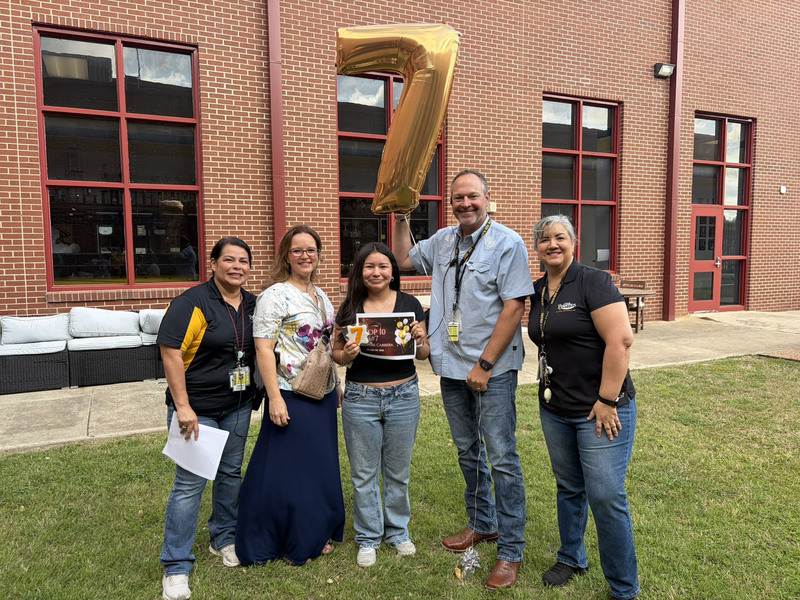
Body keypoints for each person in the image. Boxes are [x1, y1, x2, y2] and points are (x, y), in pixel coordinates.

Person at [392, 169, 533, 590]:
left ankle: (510, 550)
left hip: (491, 370)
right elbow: (402, 260)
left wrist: (484, 366)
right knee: (467, 450)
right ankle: (482, 522)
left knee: (502, 457)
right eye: (457, 198)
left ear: (488, 199)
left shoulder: (507, 243)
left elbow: (514, 307)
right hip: (450, 366)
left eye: (472, 196)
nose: (465, 203)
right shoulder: (442, 240)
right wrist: (401, 218)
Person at [528, 214, 639, 600]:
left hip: (599, 410)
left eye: (560, 237)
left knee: (606, 495)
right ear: (537, 248)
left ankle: (623, 588)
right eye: (544, 239)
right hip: (555, 407)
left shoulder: (593, 281)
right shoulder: (539, 289)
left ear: (573, 241)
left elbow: (621, 341)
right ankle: (572, 556)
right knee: (569, 486)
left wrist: (607, 400)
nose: (552, 244)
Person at [235, 225, 345, 566]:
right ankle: (283, 535)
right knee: (287, 470)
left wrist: (336, 382)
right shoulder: (275, 295)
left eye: (310, 250)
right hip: (290, 393)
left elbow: (326, 344)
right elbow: (263, 350)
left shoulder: (321, 295)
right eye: (297, 250)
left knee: (316, 466)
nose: (304, 256)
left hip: (322, 392)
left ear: (318, 254)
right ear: (286, 255)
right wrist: (275, 398)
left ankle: (313, 528)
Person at [157, 237, 257, 600]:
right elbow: (170, 353)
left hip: (238, 404)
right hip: (197, 409)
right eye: (228, 260)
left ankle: (223, 538)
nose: (236, 266)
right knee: (190, 483)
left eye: (243, 261)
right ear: (212, 264)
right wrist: (182, 406)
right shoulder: (192, 302)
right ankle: (176, 564)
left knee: (230, 473)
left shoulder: (251, 303)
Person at [332, 243, 430, 568]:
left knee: (398, 472)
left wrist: (420, 339)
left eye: (383, 266)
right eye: (369, 267)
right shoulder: (350, 308)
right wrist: (344, 356)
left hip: (404, 395)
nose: (377, 272)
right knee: (363, 473)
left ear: (393, 271)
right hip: (361, 398)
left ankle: (398, 532)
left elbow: (423, 354)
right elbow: (336, 353)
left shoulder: (410, 304)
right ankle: (369, 537)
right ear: (360, 272)